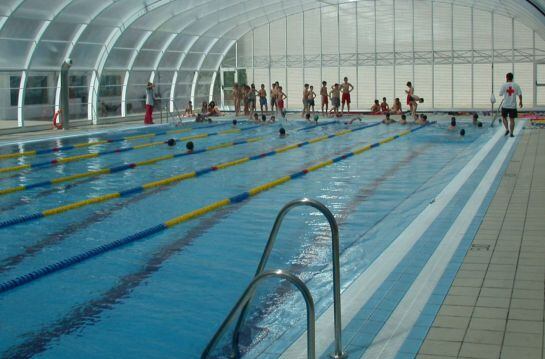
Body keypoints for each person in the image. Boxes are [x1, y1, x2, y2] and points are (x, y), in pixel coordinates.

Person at [499, 72, 523, 137]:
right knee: (512, 119)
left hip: (505, 105)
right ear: (512, 78)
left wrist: (505, 93)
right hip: (513, 106)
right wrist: (520, 102)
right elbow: (520, 94)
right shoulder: (516, 85)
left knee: (504, 117)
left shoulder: (504, 85)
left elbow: (500, 94)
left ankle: (507, 129)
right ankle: (511, 133)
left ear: (506, 78)